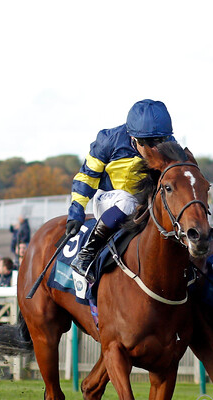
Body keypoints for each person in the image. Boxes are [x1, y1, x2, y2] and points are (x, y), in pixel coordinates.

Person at [66, 99, 175, 283]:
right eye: (148, 142)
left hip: (144, 203)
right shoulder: (109, 140)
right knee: (127, 200)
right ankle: (86, 255)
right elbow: (87, 177)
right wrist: (76, 213)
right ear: (133, 137)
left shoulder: (169, 143)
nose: (155, 148)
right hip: (110, 200)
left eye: (161, 140)